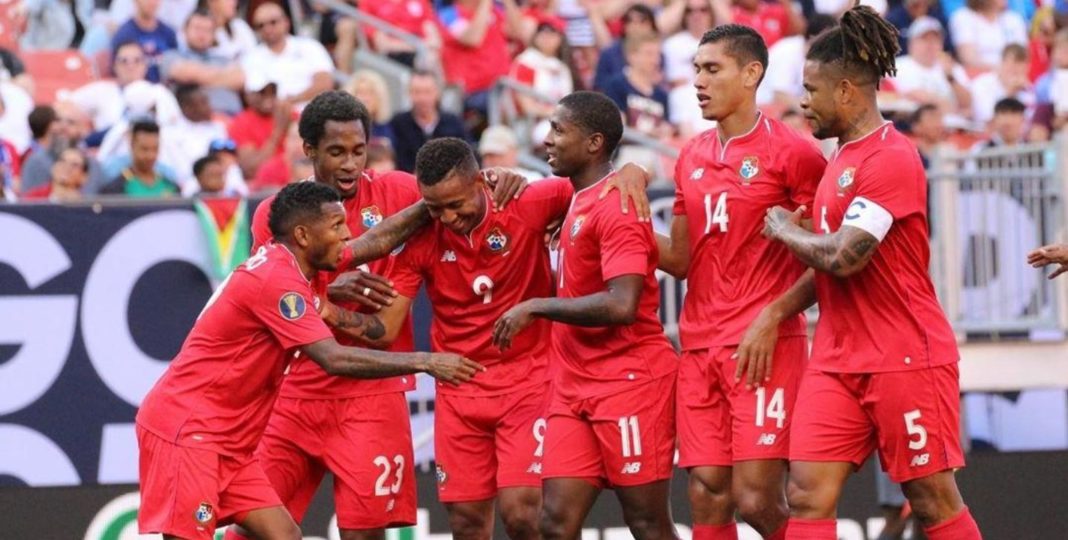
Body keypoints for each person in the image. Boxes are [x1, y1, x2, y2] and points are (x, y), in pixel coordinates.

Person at [227, 91, 531, 540]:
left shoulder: (398, 191)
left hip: (372, 395)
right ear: (309, 149)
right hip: (293, 392)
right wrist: (325, 288)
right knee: (251, 529)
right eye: (336, 152)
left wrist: (501, 176)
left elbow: (460, 190)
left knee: (365, 533)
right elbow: (272, 296)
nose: (350, 164)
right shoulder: (277, 213)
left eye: (358, 150)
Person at [137, 180, 484, 540]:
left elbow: (375, 240)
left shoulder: (301, 262)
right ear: (303, 235)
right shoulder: (277, 280)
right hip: (189, 430)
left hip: (229, 440)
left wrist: (431, 204)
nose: (347, 234)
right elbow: (333, 358)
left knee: (284, 535)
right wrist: (426, 361)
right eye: (337, 225)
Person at [348, 137, 649, 540]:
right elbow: (385, 328)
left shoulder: (527, 202)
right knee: (465, 522)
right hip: (460, 387)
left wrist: (634, 171)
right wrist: (330, 313)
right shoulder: (421, 238)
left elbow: (596, 184)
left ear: (480, 182)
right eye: (435, 208)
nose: (448, 217)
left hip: (529, 380)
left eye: (456, 204)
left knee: (523, 512)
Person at [760, 5, 982, 539]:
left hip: (904, 356)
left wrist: (784, 231)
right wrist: (776, 310)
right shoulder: (839, 160)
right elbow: (829, 266)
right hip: (837, 359)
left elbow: (844, 256)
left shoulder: (891, 158)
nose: (803, 102)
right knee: (805, 495)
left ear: (845, 91)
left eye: (811, 90)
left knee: (930, 501)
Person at [655, 24, 826, 540]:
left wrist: (774, 316)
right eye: (696, 70)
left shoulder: (795, 153)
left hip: (763, 346)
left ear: (751, 74)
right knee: (707, 494)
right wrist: (618, 217)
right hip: (699, 345)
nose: (699, 82)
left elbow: (828, 258)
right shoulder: (691, 155)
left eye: (713, 69)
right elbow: (680, 259)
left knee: (756, 499)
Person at [492, 91, 678, 540]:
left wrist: (537, 306)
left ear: (594, 143)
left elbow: (621, 305)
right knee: (554, 523)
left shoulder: (618, 205)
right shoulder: (574, 195)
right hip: (573, 386)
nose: (547, 139)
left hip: (629, 382)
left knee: (647, 523)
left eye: (559, 130)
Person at [99, 120, 181, 197]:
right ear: (132, 146)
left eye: (155, 149)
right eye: (144, 149)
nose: (150, 156)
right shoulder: (114, 190)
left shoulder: (170, 187)